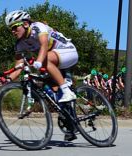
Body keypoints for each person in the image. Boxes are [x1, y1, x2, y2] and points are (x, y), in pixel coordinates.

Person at [5, 10, 78, 141]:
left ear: (26, 24)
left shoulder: (38, 27)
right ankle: (70, 123)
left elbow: (44, 44)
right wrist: (7, 79)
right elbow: (19, 67)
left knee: (46, 61)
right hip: (53, 60)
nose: (13, 31)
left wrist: (38, 61)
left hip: (67, 51)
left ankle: (67, 91)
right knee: (55, 94)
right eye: (10, 29)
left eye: (15, 27)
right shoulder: (20, 44)